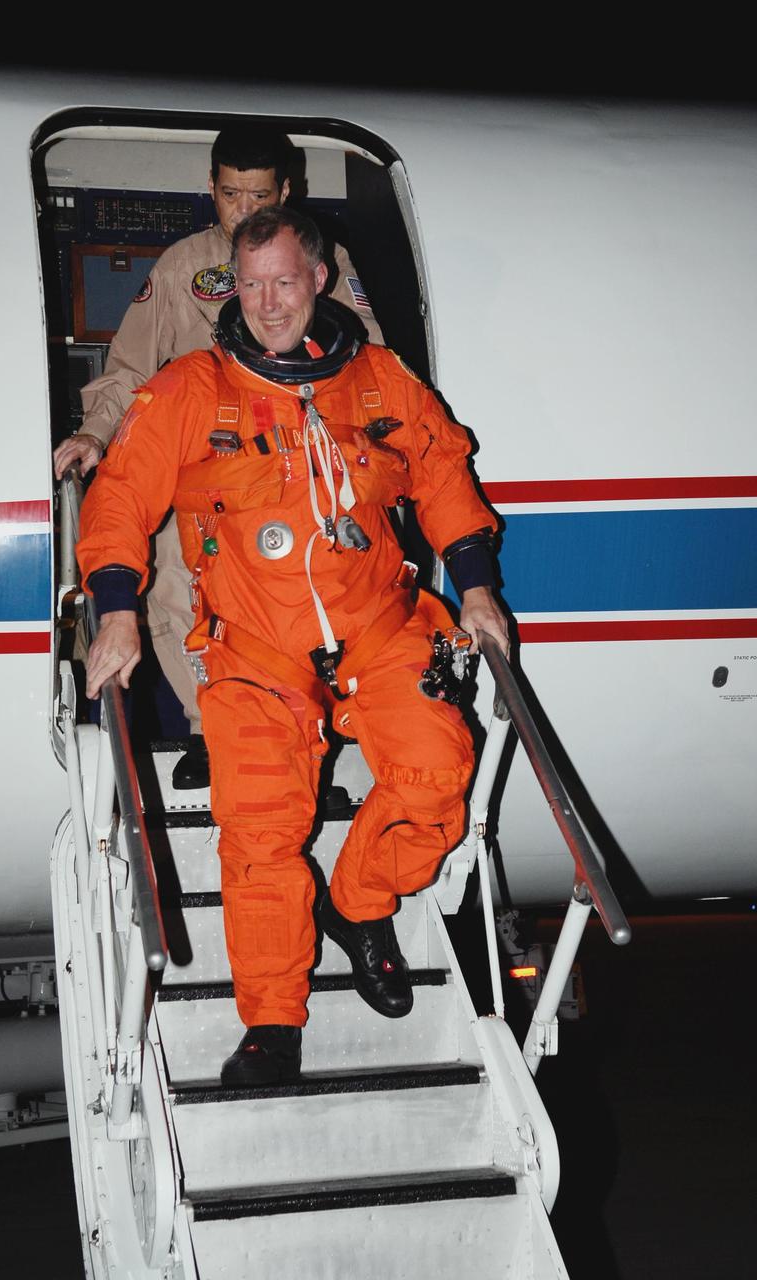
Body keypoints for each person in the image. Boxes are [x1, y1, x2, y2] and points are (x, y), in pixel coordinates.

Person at [77, 206, 508, 1086]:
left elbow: (441, 470)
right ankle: (273, 1022)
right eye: (251, 283)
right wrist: (115, 607)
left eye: (284, 281)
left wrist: (477, 587)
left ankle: (359, 903)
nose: (268, 304)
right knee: (262, 831)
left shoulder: (381, 380)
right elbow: (120, 495)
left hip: (381, 627)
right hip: (256, 649)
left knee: (437, 776)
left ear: (319, 279)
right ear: (231, 285)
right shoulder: (192, 388)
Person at [55, 125, 383, 788]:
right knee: (176, 595)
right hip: (197, 471)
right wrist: (95, 433)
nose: (244, 209)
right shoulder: (182, 268)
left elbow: (368, 359)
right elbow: (130, 369)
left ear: (286, 191)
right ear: (211, 190)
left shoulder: (321, 261)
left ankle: (306, 722)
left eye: (258, 195)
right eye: (231, 194)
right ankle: (214, 728)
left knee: (302, 598)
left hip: (293, 471)